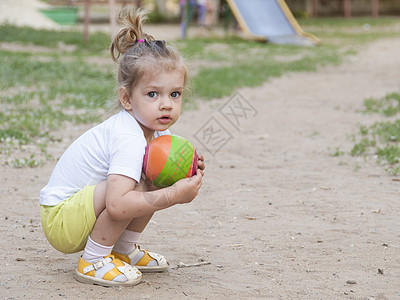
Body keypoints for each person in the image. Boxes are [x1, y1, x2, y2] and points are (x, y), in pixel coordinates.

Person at [39, 9, 205, 287]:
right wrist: (174, 194)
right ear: (127, 98)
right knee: (141, 182)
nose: (166, 104)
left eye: (174, 94)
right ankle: (93, 260)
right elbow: (117, 205)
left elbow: (154, 181)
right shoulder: (128, 136)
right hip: (61, 220)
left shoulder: (158, 132)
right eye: (153, 94)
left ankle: (122, 250)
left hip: (79, 212)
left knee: (154, 175)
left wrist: (185, 170)